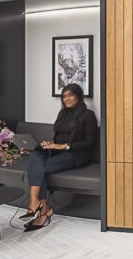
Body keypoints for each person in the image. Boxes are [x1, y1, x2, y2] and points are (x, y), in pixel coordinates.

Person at [20, 83, 97, 231]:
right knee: (35, 153)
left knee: (40, 168)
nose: (66, 99)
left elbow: (90, 143)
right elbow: (58, 137)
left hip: (74, 154)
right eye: (64, 96)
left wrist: (64, 146)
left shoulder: (88, 115)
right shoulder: (62, 114)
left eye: (70, 95)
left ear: (78, 96)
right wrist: (50, 143)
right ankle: (38, 204)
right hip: (56, 150)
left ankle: (40, 209)